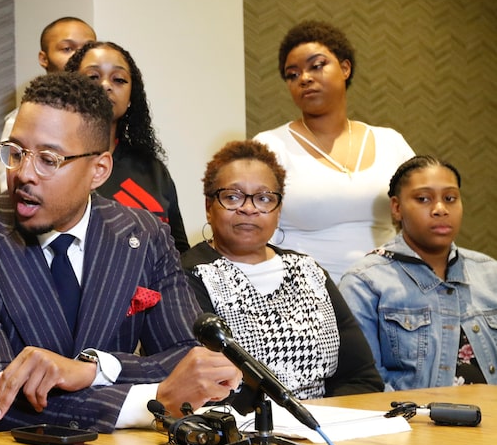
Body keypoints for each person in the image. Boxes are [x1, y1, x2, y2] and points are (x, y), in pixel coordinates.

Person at [0, 72, 241, 437]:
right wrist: (150, 401)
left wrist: (95, 369)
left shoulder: (144, 234)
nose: (24, 173)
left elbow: (187, 357)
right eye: (16, 152)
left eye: (48, 159)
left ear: (98, 170)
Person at [181, 140, 383, 399]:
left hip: (325, 427)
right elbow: (206, 387)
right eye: (233, 197)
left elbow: (361, 377)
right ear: (209, 207)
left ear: (278, 210)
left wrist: (325, 424)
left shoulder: (309, 271)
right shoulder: (188, 275)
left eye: (264, 198)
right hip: (242, 431)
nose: (249, 208)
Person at [252, 20, 414, 281]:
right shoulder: (271, 146)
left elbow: (420, 217)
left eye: (317, 66)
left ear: (345, 67)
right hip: (306, 298)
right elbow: (253, 233)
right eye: (292, 74)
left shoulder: (390, 142)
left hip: (388, 296)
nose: (304, 78)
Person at [339, 155, 497, 390]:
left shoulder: (489, 272)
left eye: (450, 198)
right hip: (414, 421)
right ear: (396, 208)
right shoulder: (365, 283)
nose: (440, 209)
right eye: (423, 199)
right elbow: (366, 382)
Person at [65, 41, 190, 252]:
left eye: (119, 79)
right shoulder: (55, 162)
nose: (105, 85)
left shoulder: (153, 171)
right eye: (93, 77)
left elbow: (179, 251)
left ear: (131, 97)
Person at [0, 17, 96, 191]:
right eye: (67, 49)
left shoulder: (111, 119)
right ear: (44, 58)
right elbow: (14, 193)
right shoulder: (19, 122)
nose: (79, 58)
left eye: (87, 49)